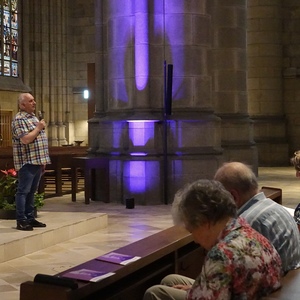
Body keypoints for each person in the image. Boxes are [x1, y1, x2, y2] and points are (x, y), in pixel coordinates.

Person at [144, 179, 282, 300]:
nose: (196, 240)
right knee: (170, 280)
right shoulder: (249, 232)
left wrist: (196, 293)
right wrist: (195, 290)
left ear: (205, 222)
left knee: (154, 293)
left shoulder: (221, 255)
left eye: (192, 231)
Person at [214, 161, 300, 274]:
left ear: (233, 196)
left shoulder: (247, 223)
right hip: (290, 281)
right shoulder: (276, 207)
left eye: (220, 199)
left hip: (277, 288)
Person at [11, 93, 51, 231]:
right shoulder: (19, 119)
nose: (34, 103)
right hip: (27, 161)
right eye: (30, 101)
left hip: (37, 161)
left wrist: (43, 161)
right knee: (23, 191)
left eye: (34, 100)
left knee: (32, 191)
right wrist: (39, 128)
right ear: (22, 105)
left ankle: (30, 217)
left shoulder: (33, 117)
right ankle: (21, 220)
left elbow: (39, 140)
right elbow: (25, 139)